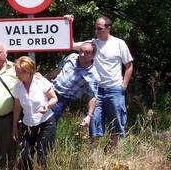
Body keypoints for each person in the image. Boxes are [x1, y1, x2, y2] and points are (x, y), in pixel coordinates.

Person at [74, 16, 133, 148]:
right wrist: (68, 22)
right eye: (95, 28)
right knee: (94, 120)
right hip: (96, 90)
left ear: (108, 29)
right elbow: (71, 44)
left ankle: (111, 152)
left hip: (115, 89)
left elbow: (129, 65)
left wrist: (123, 85)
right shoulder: (92, 44)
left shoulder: (119, 43)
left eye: (99, 28)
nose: (97, 31)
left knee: (116, 120)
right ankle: (94, 154)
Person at [12, 56, 58, 169]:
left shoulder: (41, 82)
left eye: (19, 72)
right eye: (16, 72)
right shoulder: (17, 87)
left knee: (43, 156)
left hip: (46, 122)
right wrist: (14, 127)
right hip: (28, 123)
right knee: (25, 156)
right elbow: (17, 107)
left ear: (28, 71)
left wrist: (47, 105)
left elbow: (54, 98)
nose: (17, 75)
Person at [48, 42, 99, 128]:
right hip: (49, 90)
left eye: (87, 52)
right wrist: (42, 79)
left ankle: (45, 141)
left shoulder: (93, 75)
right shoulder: (72, 57)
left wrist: (89, 116)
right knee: (33, 114)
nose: (82, 54)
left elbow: (92, 96)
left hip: (61, 99)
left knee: (49, 123)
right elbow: (57, 70)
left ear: (93, 55)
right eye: (81, 51)